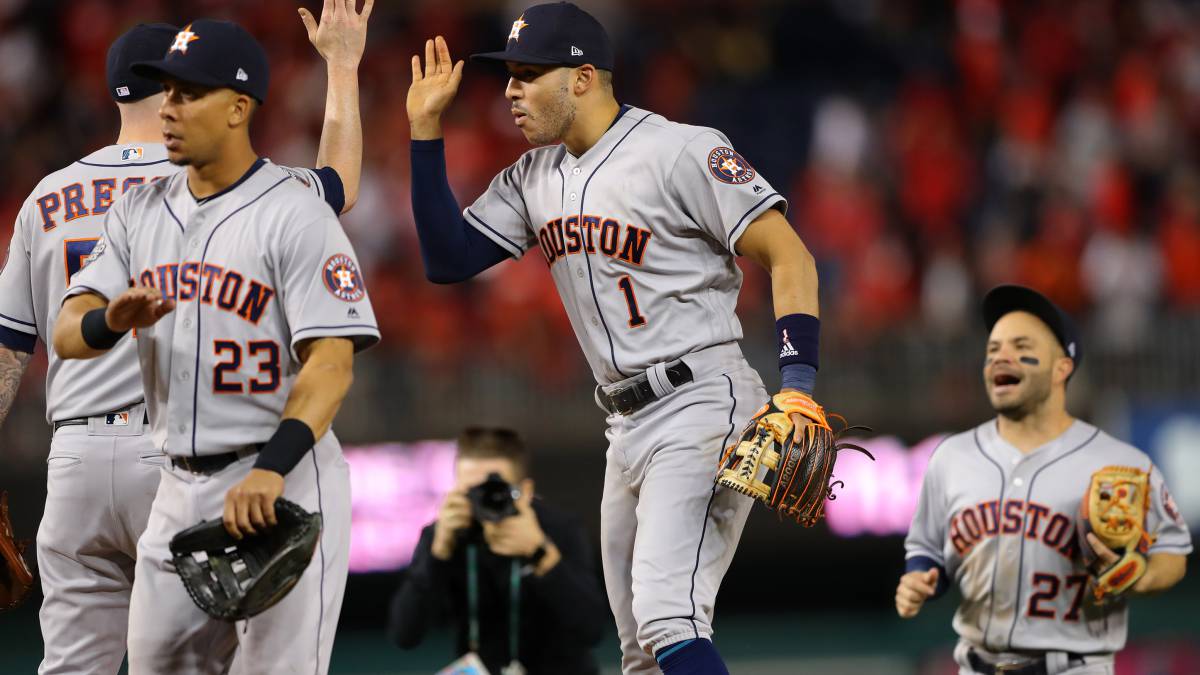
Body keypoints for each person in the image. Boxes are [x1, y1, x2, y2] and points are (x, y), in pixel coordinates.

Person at [405, 3, 829, 672]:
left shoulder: (680, 150)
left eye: (527, 74)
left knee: (668, 616)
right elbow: (447, 259)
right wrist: (424, 132)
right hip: (625, 423)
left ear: (581, 78)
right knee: (642, 653)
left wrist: (798, 385)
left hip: (700, 397)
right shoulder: (532, 176)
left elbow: (789, 254)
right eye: (509, 76)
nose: (510, 91)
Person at [0, 3, 370, 671]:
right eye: (166, 89)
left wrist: (272, 466)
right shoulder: (143, 210)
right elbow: (68, 326)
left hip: (249, 467)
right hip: (168, 472)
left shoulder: (289, 207)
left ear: (238, 106)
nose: (170, 106)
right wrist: (107, 320)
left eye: (188, 91)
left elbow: (332, 366)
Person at [896, 284, 1191, 675]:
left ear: (1061, 367)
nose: (1002, 358)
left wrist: (1141, 576)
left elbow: (1173, 551)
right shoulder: (953, 456)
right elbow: (926, 549)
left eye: (1021, 347)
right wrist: (919, 577)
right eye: (993, 349)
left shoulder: (1118, 462)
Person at [387, 427, 608, 674]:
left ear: (525, 491)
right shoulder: (444, 536)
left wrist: (540, 554)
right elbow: (404, 634)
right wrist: (437, 555)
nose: (484, 499)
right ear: (455, 490)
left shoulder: (558, 529)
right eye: (472, 491)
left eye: (495, 489)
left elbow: (592, 629)